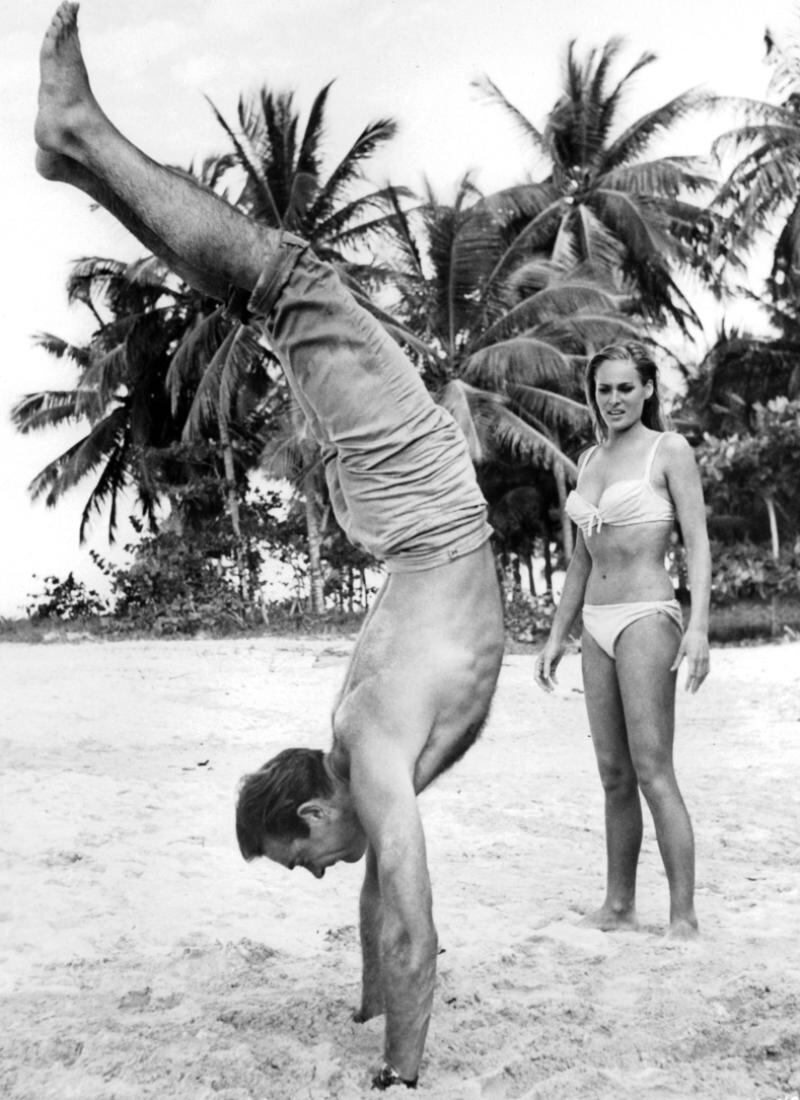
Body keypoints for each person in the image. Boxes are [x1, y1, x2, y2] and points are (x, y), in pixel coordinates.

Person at [34, 3, 504, 1088]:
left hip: (423, 508)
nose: (319, 874)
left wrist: (396, 1069)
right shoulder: (366, 758)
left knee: (284, 282)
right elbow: (384, 891)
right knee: (271, 291)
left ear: (315, 809)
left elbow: (410, 922)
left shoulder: (370, 753)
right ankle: (75, 150)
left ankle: (81, 141)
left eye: (302, 859)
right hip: (414, 520)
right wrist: (371, 1013)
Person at [535, 342, 710, 940]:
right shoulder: (590, 458)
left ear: (648, 390)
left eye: (625, 388)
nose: (614, 399)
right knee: (613, 774)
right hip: (595, 621)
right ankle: (618, 905)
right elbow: (582, 560)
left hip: (646, 617)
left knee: (652, 768)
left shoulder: (669, 450)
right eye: (604, 389)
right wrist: (557, 635)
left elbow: (698, 542)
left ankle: (683, 917)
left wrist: (699, 627)